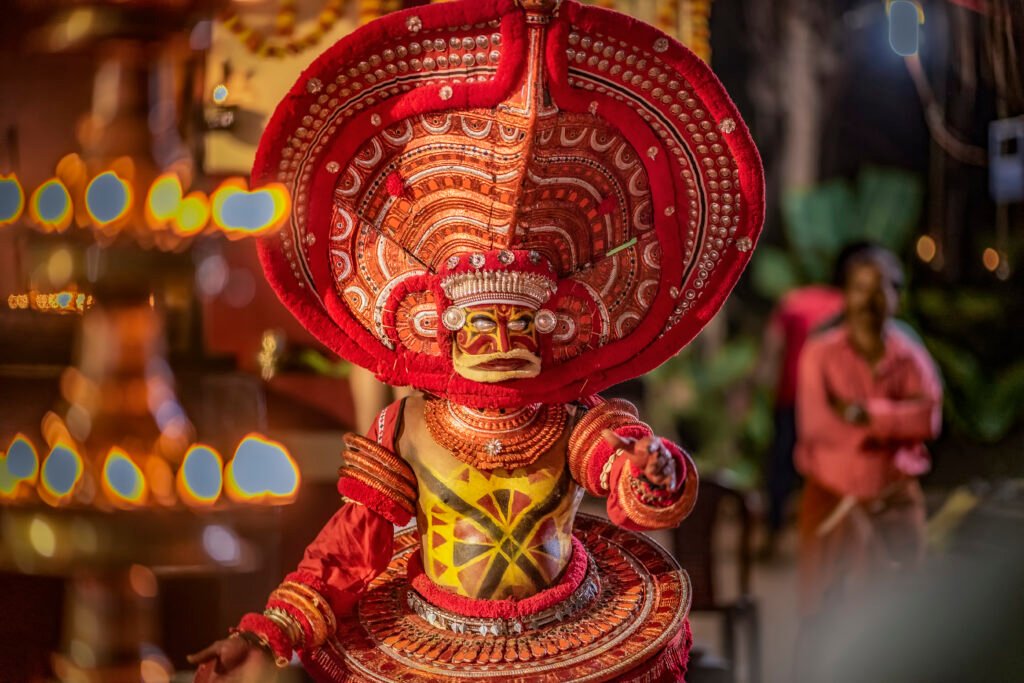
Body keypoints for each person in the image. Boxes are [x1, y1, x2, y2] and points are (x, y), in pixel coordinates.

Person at [188, 0, 765, 680]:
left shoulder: (569, 419)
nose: (499, 338)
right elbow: (350, 546)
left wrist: (650, 466)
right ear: (442, 328)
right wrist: (268, 633)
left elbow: (632, 484)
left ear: (550, 327)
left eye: (517, 321)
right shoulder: (405, 423)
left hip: (567, 632)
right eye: (481, 323)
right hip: (434, 638)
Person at [794, 246, 942, 633]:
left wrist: (868, 416)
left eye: (880, 289)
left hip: (895, 503)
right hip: (832, 503)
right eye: (859, 288)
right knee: (824, 619)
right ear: (846, 294)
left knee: (904, 620)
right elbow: (816, 426)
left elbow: (930, 417)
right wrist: (895, 425)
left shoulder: (909, 355)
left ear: (896, 296)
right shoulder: (820, 353)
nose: (869, 300)